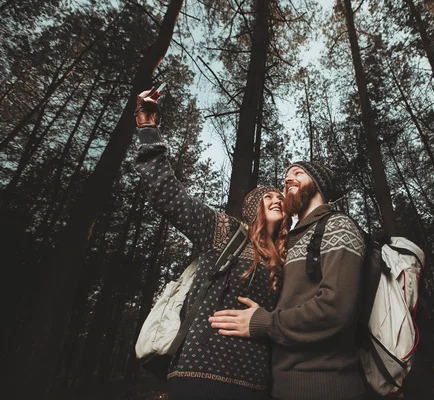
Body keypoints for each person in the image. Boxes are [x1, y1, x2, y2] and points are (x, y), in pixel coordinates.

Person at [134, 90, 290, 400]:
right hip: (197, 373)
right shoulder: (223, 231)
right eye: (267, 197)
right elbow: (166, 192)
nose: (277, 199)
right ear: (251, 208)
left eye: (281, 197)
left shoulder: (289, 259)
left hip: (258, 382)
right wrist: (148, 128)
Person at [210, 162, 368, 400]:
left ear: (319, 183)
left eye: (298, 173)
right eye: (285, 178)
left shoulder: (337, 225)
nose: (288, 180)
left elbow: (335, 310)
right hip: (279, 388)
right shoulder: (290, 243)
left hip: (327, 386)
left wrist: (265, 323)